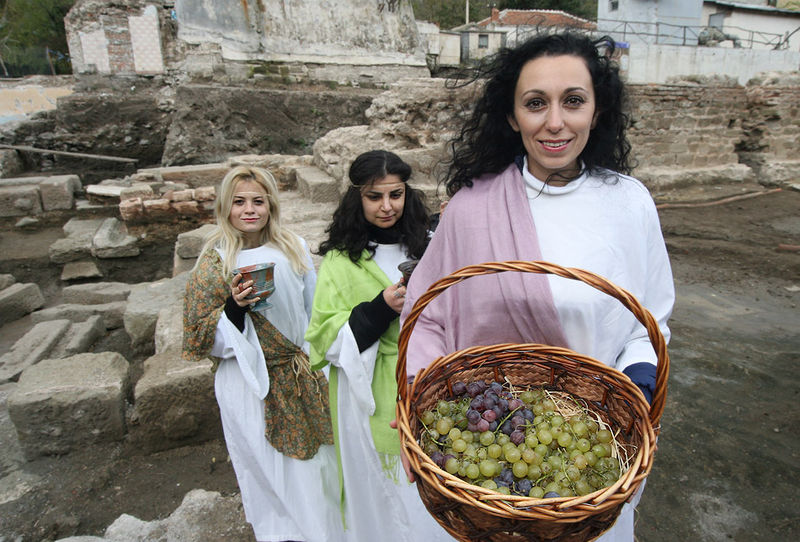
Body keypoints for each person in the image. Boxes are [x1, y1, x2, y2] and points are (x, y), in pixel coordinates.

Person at [400, 32, 675, 542]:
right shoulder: (471, 208)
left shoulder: (630, 204)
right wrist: (421, 401)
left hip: (582, 470)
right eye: (534, 103)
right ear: (511, 116)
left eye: (573, 101)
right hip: (477, 476)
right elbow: (427, 316)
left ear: (597, 110)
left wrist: (634, 398)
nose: (554, 122)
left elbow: (648, 324)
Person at [182, 166, 343, 542]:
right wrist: (235, 307)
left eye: (258, 201)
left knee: (318, 469)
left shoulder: (293, 247)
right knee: (270, 472)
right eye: (239, 202)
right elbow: (203, 338)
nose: (249, 209)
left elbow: (313, 311)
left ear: (271, 205)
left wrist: (319, 364)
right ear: (225, 206)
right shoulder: (214, 263)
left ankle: (326, 532)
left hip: (300, 374)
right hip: (248, 384)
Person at [304, 150, 454, 541]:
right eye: (375, 197)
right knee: (383, 494)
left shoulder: (427, 246)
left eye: (396, 194)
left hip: (427, 379)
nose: (387, 206)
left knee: (431, 490)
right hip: (366, 393)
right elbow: (323, 338)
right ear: (357, 198)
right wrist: (379, 310)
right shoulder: (341, 260)